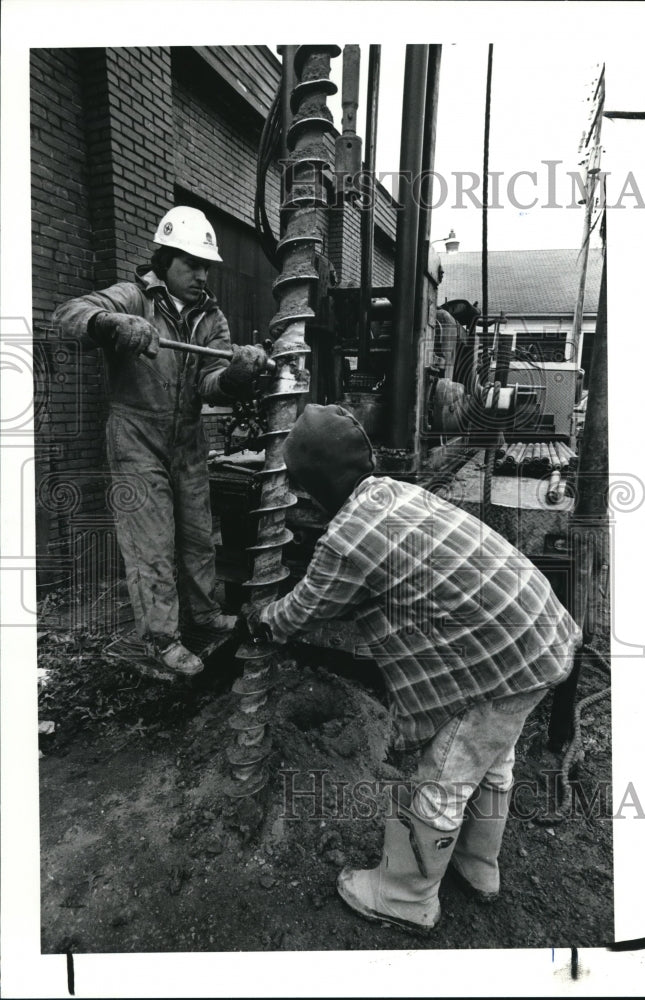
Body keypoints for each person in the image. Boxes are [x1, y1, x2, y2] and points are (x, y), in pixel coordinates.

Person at [245, 403, 581, 933]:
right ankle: (477, 864)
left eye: (303, 486)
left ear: (312, 483)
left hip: (505, 661)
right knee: (491, 757)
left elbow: (305, 609)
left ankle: (407, 896)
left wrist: (263, 620)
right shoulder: (395, 493)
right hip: (540, 634)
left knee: (446, 769)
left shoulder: (347, 538)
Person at [54, 206, 271, 678]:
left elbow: (208, 385)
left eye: (205, 265)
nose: (201, 274)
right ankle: (160, 638)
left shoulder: (211, 317)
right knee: (150, 542)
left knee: (197, 536)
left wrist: (234, 376)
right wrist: (109, 324)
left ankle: (205, 615)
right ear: (165, 261)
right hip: (136, 435)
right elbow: (68, 314)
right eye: (191, 264)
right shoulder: (134, 297)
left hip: (187, 438)